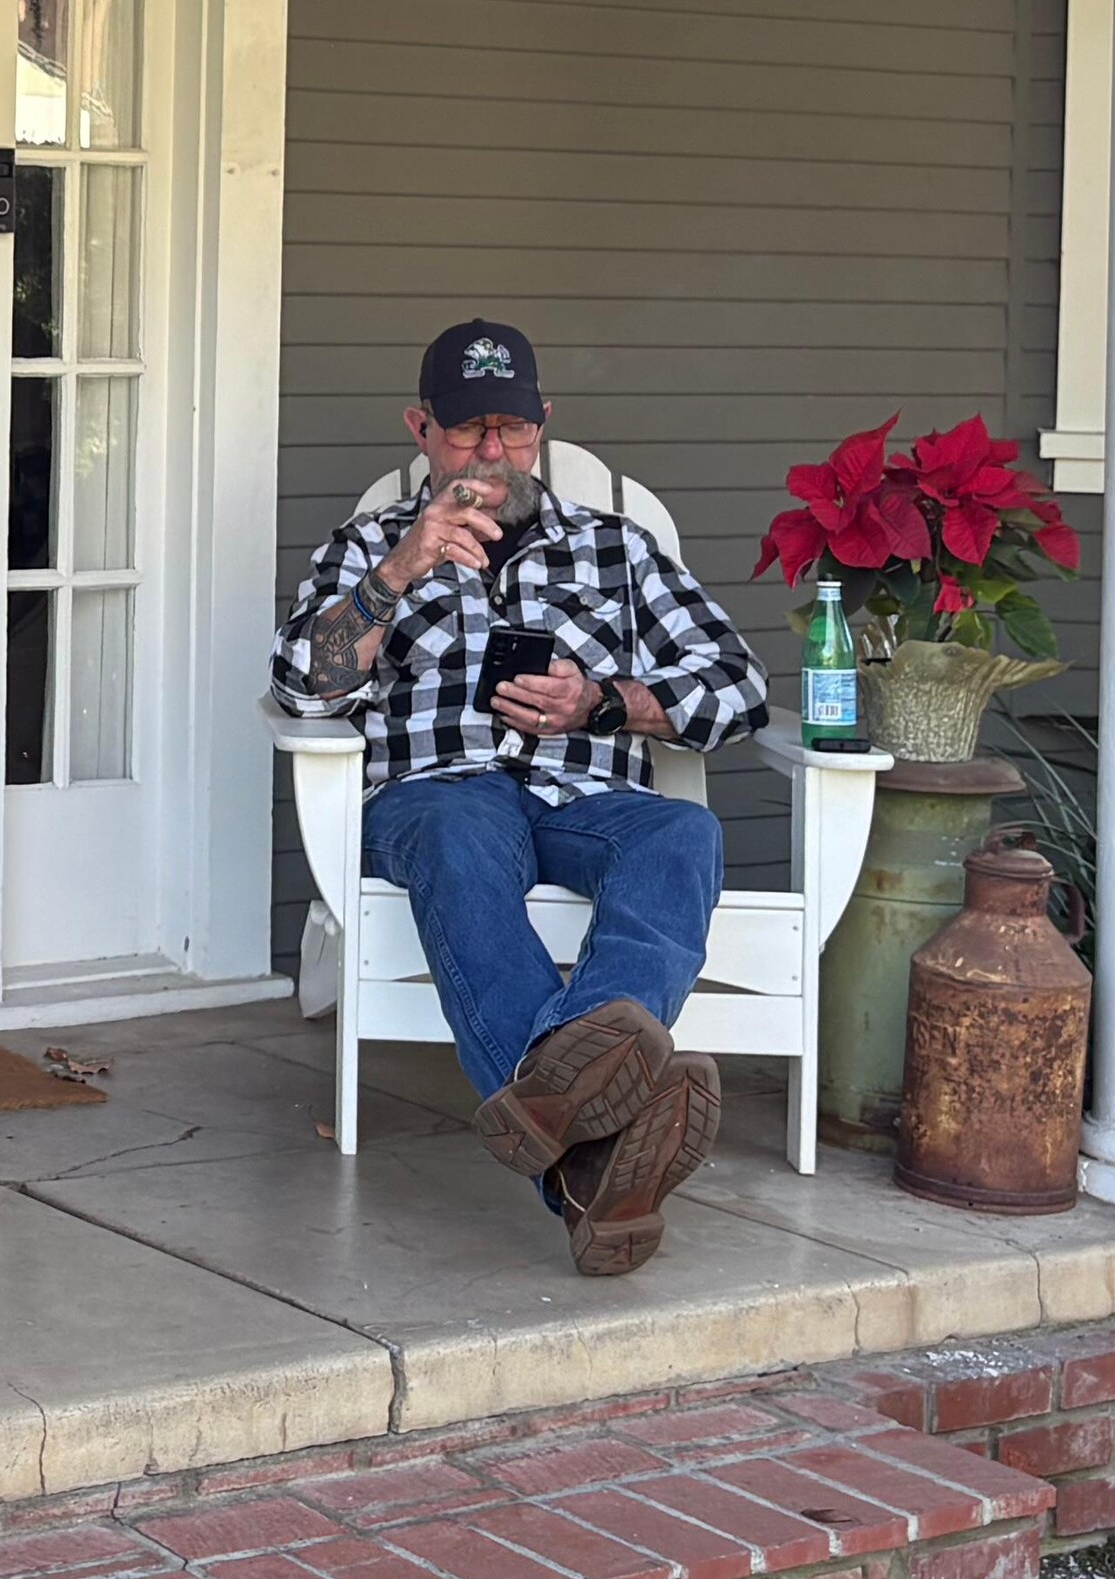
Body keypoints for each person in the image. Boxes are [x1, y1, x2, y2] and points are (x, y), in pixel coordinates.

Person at [269, 319, 772, 1276]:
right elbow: (303, 685)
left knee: (682, 834)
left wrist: (605, 701)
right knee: (461, 829)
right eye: (466, 431)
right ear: (421, 429)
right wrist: (399, 572)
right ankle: (598, 1139)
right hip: (436, 797)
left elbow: (737, 684)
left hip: (586, 792)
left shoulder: (616, 549)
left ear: (543, 423)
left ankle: (575, 1131)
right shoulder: (373, 545)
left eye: (511, 428)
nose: (491, 452)